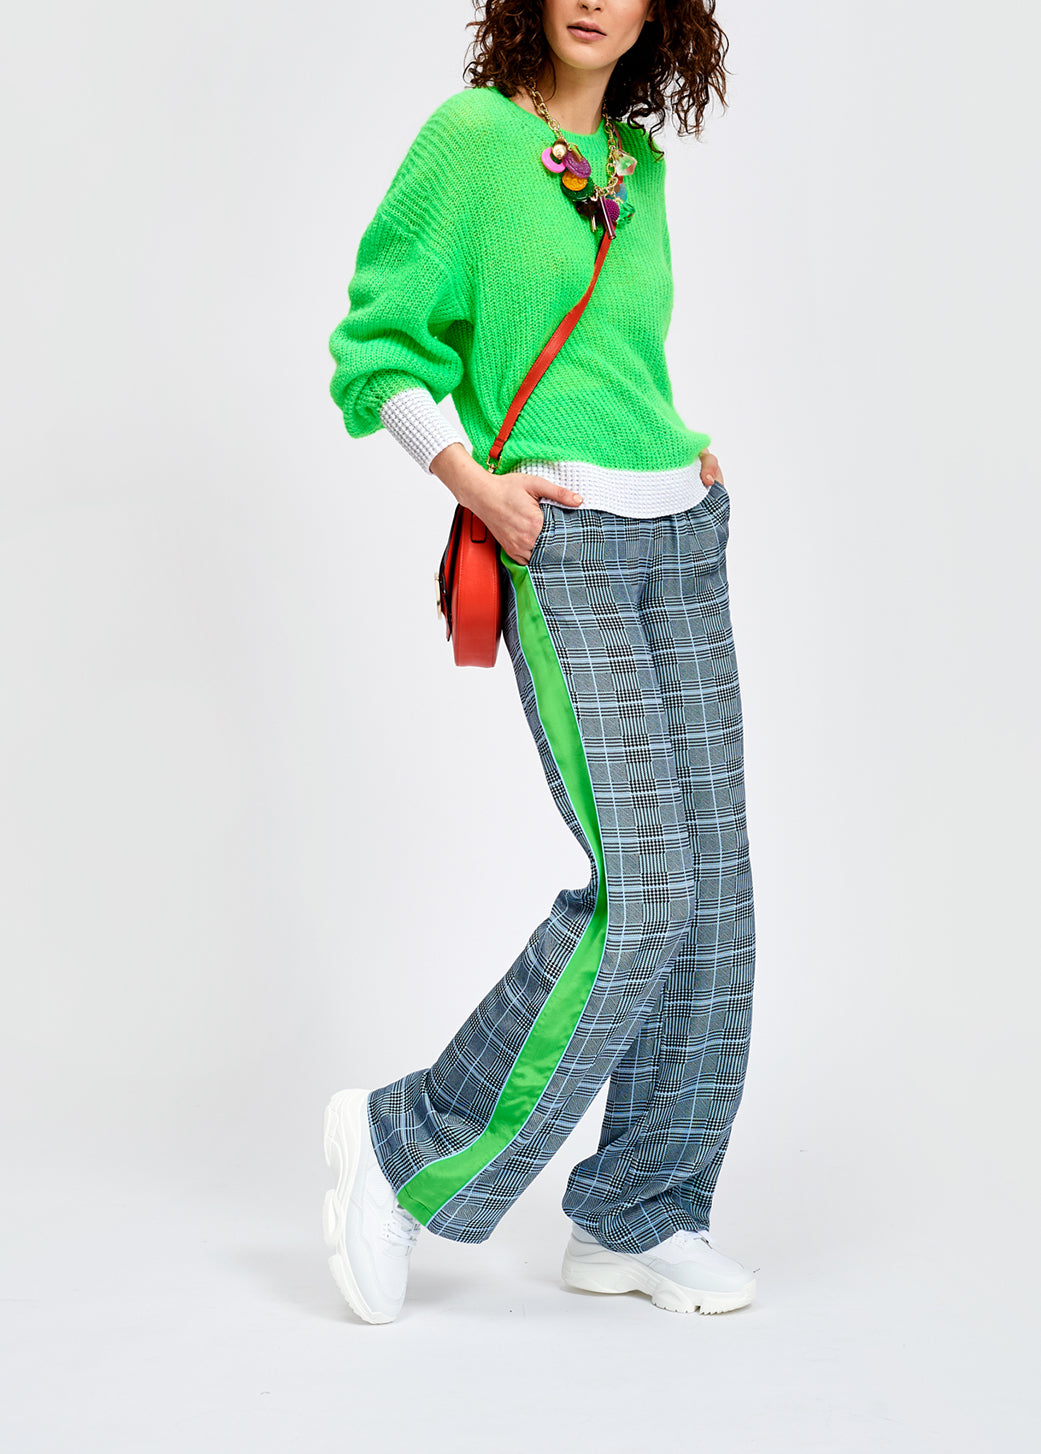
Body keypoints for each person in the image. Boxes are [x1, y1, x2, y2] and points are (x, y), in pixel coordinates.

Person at [323, 0, 758, 1323]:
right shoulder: (469, 139)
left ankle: (640, 1211)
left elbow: (620, 354)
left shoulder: (639, 166)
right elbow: (376, 345)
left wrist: (680, 449)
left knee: (716, 897)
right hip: (561, 539)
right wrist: (473, 482)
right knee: (649, 885)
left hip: (679, 529)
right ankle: (400, 1147)